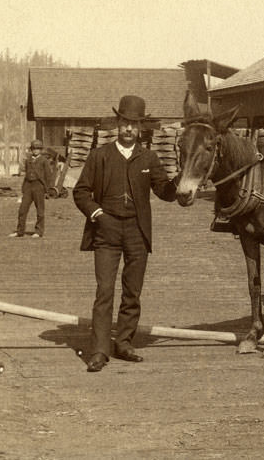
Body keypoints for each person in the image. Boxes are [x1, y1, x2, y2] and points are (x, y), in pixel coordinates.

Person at [73, 95, 177, 373]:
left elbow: (165, 192)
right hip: (106, 231)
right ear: (117, 123)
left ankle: (124, 343)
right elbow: (81, 192)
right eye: (125, 122)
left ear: (141, 127)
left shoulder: (149, 157)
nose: (129, 128)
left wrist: (181, 182)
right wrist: (98, 215)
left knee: (132, 291)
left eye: (135, 124)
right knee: (105, 290)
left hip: (137, 232)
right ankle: (98, 350)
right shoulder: (100, 155)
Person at [9, 139, 53, 238]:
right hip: (28, 186)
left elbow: (48, 176)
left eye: (38, 149)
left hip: (39, 186)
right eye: (34, 148)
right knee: (22, 210)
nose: (36, 150)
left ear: (41, 150)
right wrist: (23, 189)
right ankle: (20, 231)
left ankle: (38, 231)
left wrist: (47, 190)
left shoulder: (44, 160)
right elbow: (26, 175)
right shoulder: (28, 160)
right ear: (31, 149)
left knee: (40, 211)